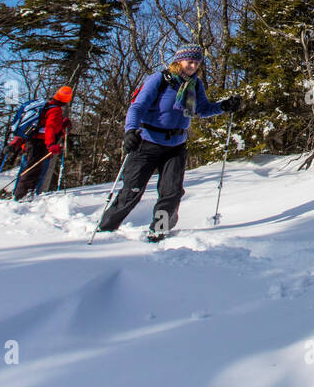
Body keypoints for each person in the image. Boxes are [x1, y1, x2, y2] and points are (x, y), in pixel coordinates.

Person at [97, 45, 241, 240]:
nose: (193, 65)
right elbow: (137, 106)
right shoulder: (160, 79)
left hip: (176, 145)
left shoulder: (194, 85)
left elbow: (203, 109)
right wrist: (130, 130)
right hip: (147, 142)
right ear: (178, 61)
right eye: (190, 61)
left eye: (197, 62)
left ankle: (160, 229)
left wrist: (223, 106)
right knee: (132, 190)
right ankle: (105, 229)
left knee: (171, 192)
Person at [13, 85, 73, 200]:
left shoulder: (47, 106)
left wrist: (62, 126)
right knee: (32, 170)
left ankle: (24, 195)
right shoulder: (55, 110)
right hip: (39, 144)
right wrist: (50, 145)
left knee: (31, 168)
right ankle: (21, 197)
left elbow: (49, 127)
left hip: (33, 142)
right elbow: (49, 128)